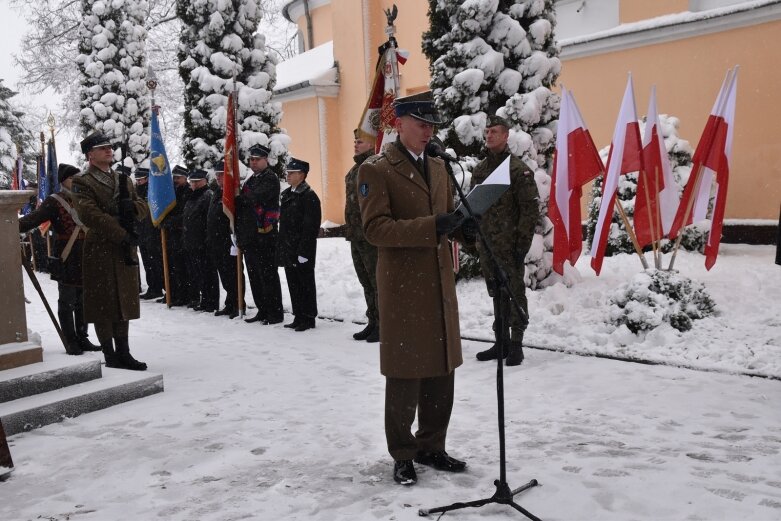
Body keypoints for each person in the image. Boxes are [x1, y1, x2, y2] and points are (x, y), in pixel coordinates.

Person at [357, 90, 470, 486]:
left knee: (442, 368)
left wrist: (464, 228)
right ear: (399, 123)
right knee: (406, 375)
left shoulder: (440, 167)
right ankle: (403, 453)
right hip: (404, 287)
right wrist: (432, 227)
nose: (428, 131)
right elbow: (375, 229)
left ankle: (431, 445)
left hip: (438, 283)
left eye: (432, 125)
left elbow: (446, 219)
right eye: (421, 124)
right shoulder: (376, 169)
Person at [70, 132, 148, 370]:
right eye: (102, 148)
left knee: (123, 300)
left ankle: (124, 352)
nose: (108, 150)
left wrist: (130, 208)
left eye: (109, 147)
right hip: (101, 248)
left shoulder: (124, 180)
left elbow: (143, 206)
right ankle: (110, 353)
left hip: (123, 249)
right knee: (103, 302)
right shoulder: (82, 182)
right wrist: (121, 232)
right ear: (90, 155)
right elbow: (90, 214)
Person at [471, 115, 539, 367]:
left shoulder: (517, 170)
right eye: (487, 131)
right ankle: (500, 342)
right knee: (496, 293)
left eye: (495, 131)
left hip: (510, 247)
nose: (489, 135)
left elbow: (530, 211)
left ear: (506, 135)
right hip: (488, 246)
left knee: (513, 294)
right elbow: (475, 207)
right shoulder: (480, 170)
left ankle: (516, 344)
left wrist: (520, 246)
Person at [19, 163, 101, 355]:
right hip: (67, 255)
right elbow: (34, 219)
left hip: (87, 254)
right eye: (73, 178)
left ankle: (83, 337)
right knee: (67, 300)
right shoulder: (54, 201)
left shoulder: (86, 199)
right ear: (64, 181)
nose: (77, 181)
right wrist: (9, 224)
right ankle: (70, 340)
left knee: (83, 300)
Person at [235, 144, 283, 325]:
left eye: (257, 159)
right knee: (255, 275)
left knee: (267, 274)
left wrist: (238, 198)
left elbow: (254, 198)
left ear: (266, 160)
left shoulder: (270, 179)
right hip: (251, 236)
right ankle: (262, 309)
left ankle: (274, 312)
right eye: (251, 160)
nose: (253, 163)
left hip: (265, 235)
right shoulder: (251, 180)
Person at [344, 129, 380, 343]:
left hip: (371, 235)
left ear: (372, 144)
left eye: (360, 141)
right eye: (355, 141)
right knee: (365, 281)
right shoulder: (354, 170)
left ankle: (383, 324)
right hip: (356, 235)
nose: (355, 145)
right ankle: (373, 321)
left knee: (377, 282)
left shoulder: (374, 168)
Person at [278, 158, 321, 332]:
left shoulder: (309, 196)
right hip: (289, 247)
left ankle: (308, 317)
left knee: (305, 283)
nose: (288, 176)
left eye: (292, 173)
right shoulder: (287, 194)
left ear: (302, 175)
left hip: (302, 248)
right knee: (293, 282)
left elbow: (310, 227)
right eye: (287, 172)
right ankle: (298, 315)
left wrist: (304, 251)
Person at [207, 161, 244, 318]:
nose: (218, 178)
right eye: (217, 175)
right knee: (225, 275)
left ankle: (238, 304)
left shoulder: (233, 192)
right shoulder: (217, 192)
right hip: (216, 241)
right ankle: (230, 303)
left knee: (234, 274)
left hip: (229, 240)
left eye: (221, 174)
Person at [182, 168, 219, 312]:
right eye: (192, 182)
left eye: (198, 182)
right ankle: (205, 300)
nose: (194, 184)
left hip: (203, 242)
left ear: (205, 181)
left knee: (208, 273)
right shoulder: (192, 197)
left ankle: (211, 302)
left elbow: (208, 221)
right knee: (199, 274)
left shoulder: (207, 195)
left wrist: (206, 240)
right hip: (192, 242)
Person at [158, 165, 191, 306]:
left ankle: (183, 295)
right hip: (171, 234)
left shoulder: (188, 192)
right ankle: (173, 293)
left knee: (181, 267)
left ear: (185, 178)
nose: (175, 180)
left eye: (178, 178)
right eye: (174, 177)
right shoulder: (171, 192)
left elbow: (186, 214)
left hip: (181, 233)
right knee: (171, 266)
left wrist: (170, 221)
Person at [133, 166, 164, 300]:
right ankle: (153, 287)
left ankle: (160, 287)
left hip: (152, 231)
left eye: (141, 179)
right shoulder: (136, 192)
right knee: (147, 262)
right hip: (142, 231)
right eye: (138, 179)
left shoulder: (153, 191)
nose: (139, 182)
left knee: (156, 262)